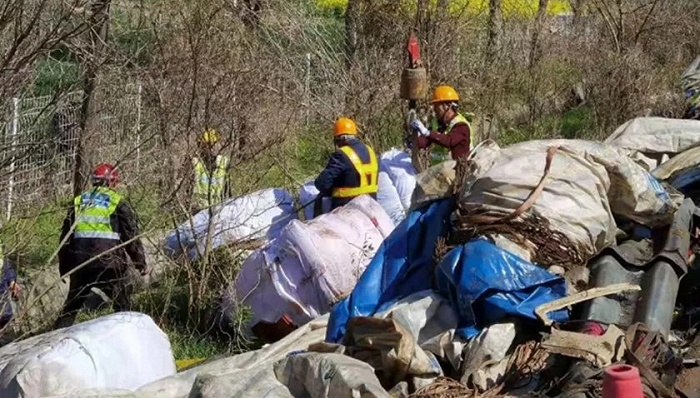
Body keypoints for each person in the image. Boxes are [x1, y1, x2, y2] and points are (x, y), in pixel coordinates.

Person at [54, 163, 148, 329]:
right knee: (122, 307)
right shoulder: (117, 202)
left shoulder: (78, 202)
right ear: (113, 182)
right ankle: (126, 335)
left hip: (80, 264)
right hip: (109, 264)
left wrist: (65, 268)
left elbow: (65, 239)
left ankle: (54, 340)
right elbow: (130, 236)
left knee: (70, 308)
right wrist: (140, 263)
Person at [314, 117, 379, 214]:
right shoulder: (370, 150)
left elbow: (322, 183)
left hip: (347, 208)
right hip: (371, 205)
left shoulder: (342, 154)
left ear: (340, 138)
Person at [410, 85, 476, 165]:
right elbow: (425, 141)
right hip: (438, 172)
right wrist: (413, 142)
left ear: (447, 106)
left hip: (458, 173)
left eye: (437, 106)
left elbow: (449, 141)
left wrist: (427, 132)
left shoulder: (461, 126)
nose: (434, 110)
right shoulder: (438, 123)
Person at [184, 128, 232, 212]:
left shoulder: (223, 162)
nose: (211, 148)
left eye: (213, 144)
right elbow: (187, 192)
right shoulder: (194, 163)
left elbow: (227, 191)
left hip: (218, 209)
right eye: (207, 145)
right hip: (197, 211)